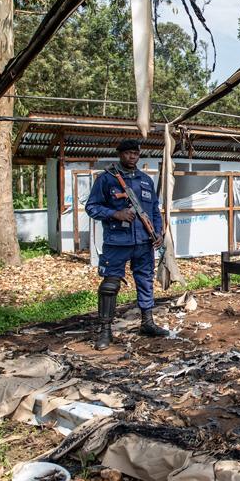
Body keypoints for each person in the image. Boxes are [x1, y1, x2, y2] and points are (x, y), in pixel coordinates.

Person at [85, 139, 169, 350]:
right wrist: (115, 213)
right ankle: (105, 331)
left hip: (143, 241)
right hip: (117, 242)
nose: (133, 157)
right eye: (129, 153)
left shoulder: (146, 180)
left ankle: (147, 322)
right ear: (120, 154)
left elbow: (154, 210)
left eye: (136, 153)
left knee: (145, 280)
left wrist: (158, 233)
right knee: (110, 285)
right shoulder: (107, 179)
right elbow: (92, 207)